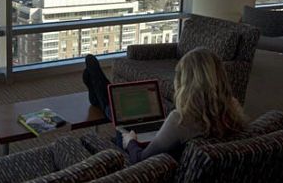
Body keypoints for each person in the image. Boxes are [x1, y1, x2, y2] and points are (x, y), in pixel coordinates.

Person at [83, 47, 245, 164]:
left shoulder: (181, 120)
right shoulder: (233, 111)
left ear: (186, 82)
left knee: (119, 117)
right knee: (114, 109)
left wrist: (130, 141)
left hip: (143, 170)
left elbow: (141, 159)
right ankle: (99, 93)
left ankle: (98, 91)